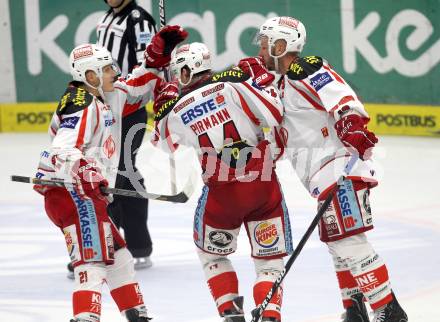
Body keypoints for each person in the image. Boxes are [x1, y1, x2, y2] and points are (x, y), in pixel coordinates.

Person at [249, 16, 408, 322]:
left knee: (348, 241)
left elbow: (340, 95)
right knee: (337, 242)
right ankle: (354, 308)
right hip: (322, 176)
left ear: (282, 45)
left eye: (267, 43)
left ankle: (389, 310)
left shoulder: (304, 67)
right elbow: (284, 139)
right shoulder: (279, 86)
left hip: (340, 167)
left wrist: (351, 121)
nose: (262, 50)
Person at [33, 25, 187, 321]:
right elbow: (63, 150)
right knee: (91, 265)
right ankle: (85, 317)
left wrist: (156, 58)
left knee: (120, 259)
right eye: (106, 69)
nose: (114, 73)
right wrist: (86, 172)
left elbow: (137, 85)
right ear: (89, 76)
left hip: (85, 197)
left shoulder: (105, 95)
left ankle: (136, 314)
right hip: (72, 195)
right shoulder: (81, 102)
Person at [152, 42, 292, 322]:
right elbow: (275, 113)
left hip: (222, 195)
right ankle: (270, 315)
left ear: (186, 70)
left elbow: (163, 144)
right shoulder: (234, 83)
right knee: (270, 264)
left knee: (212, 257)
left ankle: (229, 311)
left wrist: (164, 103)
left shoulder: (177, 109)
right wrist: (261, 80)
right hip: (263, 187)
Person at [96, 0, 157, 271]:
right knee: (116, 171)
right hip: (108, 107)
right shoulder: (109, 16)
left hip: (128, 108)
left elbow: (147, 67)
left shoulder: (138, 19)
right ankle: (132, 244)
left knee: (119, 172)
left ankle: (115, 246)